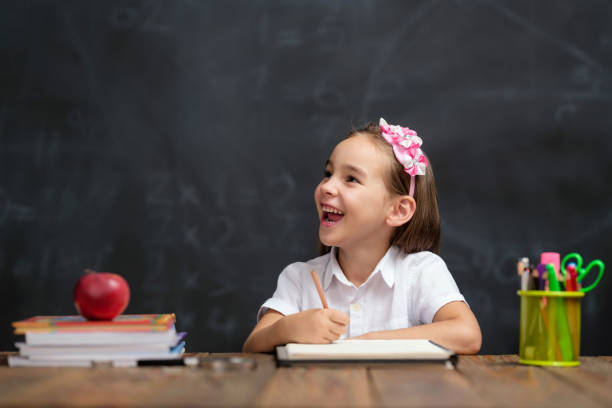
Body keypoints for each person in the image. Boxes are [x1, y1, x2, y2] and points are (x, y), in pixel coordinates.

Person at [243, 118, 482, 354]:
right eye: (328, 173)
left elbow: (467, 335)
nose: (326, 186)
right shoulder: (299, 278)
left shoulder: (421, 271)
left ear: (398, 210)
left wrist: (368, 342)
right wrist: (286, 329)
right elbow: (252, 345)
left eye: (351, 179)